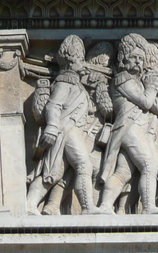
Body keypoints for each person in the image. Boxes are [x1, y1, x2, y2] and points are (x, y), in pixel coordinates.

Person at [26, 35, 105, 215]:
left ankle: (30, 205)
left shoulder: (77, 85)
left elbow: (89, 109)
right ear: (71, 61)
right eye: (79, 59)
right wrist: (52, 127)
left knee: (54, 172)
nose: (82, 63)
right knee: (83, 165)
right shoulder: (65, 81)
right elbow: (54, 104)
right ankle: (87, 207)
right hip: (66, 129)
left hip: (72, 129)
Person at [96, 34, 158, 214]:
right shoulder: (123, 79)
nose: (138, 62)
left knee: (124, 172)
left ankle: (105, 206)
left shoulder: (136, 82)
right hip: (129, 127)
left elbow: (157, 107)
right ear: (123, 59)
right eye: (134, 58)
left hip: (136, 129)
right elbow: (146, 102)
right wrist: (152, 87)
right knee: (150, 163)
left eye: (141, 58)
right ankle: (148, 207)